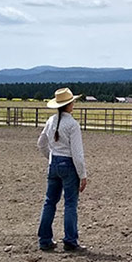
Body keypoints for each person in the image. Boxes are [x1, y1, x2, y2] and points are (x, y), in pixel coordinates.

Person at [37, 88, 88, 252]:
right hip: (69, 165)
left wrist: (51, 158)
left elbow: (41, 143)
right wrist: (83, 175)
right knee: (70, 204)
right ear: (69, 104)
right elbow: (77, 154)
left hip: (54, 164)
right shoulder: (72, 125)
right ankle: (70, 240)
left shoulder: (51, 121)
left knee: (49, 202)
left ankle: (44, 239)